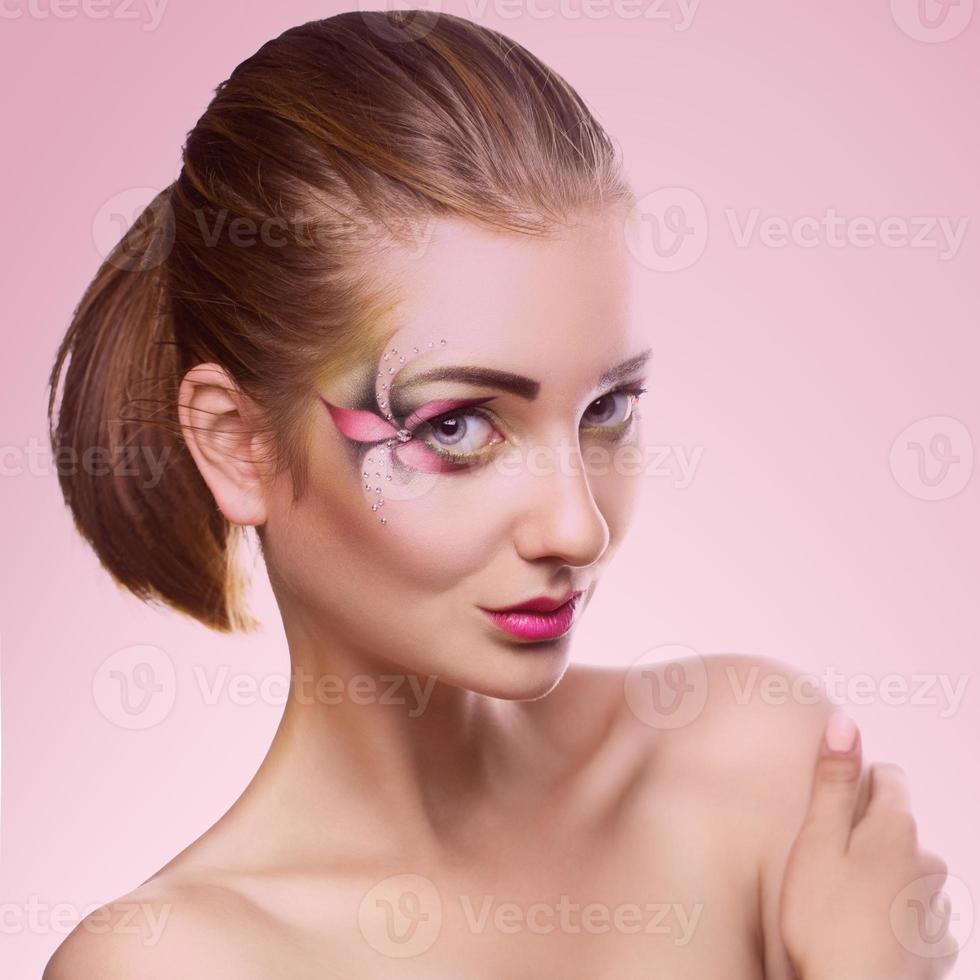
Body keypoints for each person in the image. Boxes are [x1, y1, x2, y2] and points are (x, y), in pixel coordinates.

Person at [43, 10, 957, 978]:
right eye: (455, 426)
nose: (577, 525)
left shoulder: (748, 766)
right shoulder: (172, 961)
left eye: (606, 406)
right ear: (237, 443)